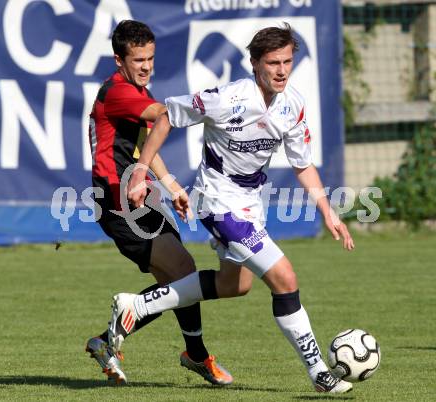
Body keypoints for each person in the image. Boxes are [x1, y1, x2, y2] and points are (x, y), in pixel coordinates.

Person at [109, 23, 356, 394]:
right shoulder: (228, 98)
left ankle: (136, 306)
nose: (281, 70)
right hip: (217, 200)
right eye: (273, 62)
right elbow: (167, 117)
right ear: (254, 63)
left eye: (288, 61)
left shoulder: (293, 104)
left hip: (250, 201)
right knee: (285, 279)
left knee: (234, 284)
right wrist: (143, 169)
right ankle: (320, 372)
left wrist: (326, 209)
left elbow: (302, 163)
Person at [86, 19, 235, 386]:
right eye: (138, 59)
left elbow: (144, 148)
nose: (146, 66)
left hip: (139, 196)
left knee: (175, 282)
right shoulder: (118, 92)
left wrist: (169, 185)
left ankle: (107, 342)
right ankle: (194, 355)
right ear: (119, 59)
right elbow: (165, 117)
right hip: (118, 200)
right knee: (183, 272)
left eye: (150, 58)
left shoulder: (130, 91)